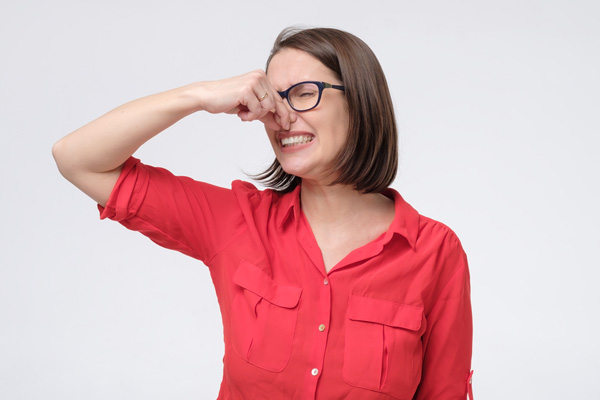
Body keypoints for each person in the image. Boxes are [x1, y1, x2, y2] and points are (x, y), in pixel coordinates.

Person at [53, 27, 473, 400]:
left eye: (305, 93)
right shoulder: (235, 222)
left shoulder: (436, 252)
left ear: (360, 101)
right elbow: (77, 158)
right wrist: (197, 96)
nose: (282, 117)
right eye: (272, 100)